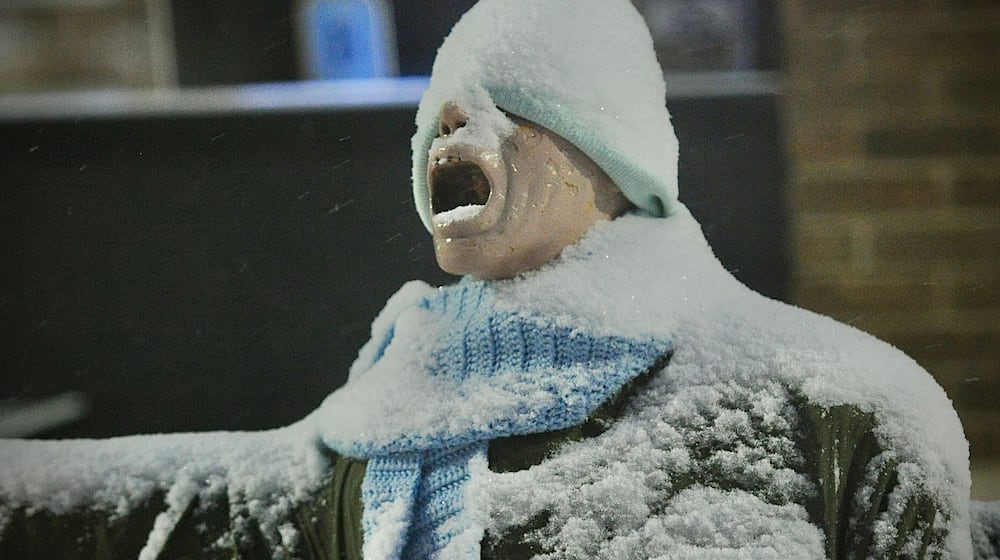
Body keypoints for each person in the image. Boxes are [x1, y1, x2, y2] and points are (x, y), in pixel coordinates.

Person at [0, 0, 979, 559]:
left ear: (613, 151)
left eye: (510, 101)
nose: (455, 125)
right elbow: (186, 498)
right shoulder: (382, 416)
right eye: (440, 115)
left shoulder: (840, 408)